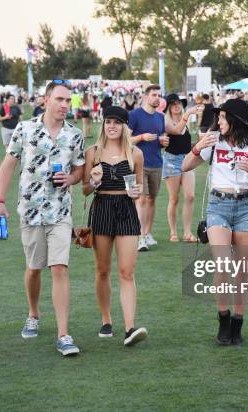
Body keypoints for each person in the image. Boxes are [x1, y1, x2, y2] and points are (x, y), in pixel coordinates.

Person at [0, 80, 85, 357]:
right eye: (59, 99)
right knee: (34, 268)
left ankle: (63, 334)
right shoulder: (25, 129)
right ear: (45, 100)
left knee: (59, 267)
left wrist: (71, 178)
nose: (65, 105)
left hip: (60, 212)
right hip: (30, 210)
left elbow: (79, 169)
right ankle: (33, 313)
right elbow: (9, 164)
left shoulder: (75, 135)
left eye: (68, 100)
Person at [182, 98, 248, 346]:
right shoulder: (213, 142)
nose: (218, 121)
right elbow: (185, 166)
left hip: (245, 206)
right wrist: (198, 147)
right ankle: (223, 318)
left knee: (242, 271)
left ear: (235, 120)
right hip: (218, 206)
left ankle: (238, 323)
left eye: (222, 117)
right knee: (222, 264)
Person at [82, 106, 148, 345]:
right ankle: (106, 319)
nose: (112, 126)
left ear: (124, 126)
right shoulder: (93, 152)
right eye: (108, 121)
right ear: (103, 124)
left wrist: (137, 191)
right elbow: (85, 189)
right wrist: (93, 180)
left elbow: (138, 188)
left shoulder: (135, 154)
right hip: (101, 208)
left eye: (117, 122)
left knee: (127, 272)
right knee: (102, 270)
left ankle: (130, 328)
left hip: (126, 210)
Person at [127, 84, 169, 252]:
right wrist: (142, 137)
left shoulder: (160, 117)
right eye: (153, 94)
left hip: (157, 163)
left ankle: (147, 233)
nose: (157, 98)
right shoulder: (134, 115)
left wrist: (163, 141)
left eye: (159, 95)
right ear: (145, 97)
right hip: (137, 165)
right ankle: (139, 237)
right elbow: (125, 140)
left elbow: (161, 138)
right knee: (141, 199)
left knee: (151, 199)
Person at [163, 93, 199, 242]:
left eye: (179, 103)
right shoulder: (166, 121)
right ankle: (173, 232)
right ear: (169, 107)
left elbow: (184, 142)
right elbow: (176, 131)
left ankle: (187, 233)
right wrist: (188, 114)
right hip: (172, 161)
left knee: (190, 196)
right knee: (174, 199)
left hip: (187, 160)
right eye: (173, 104)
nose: (177, 106)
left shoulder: (186, 121)